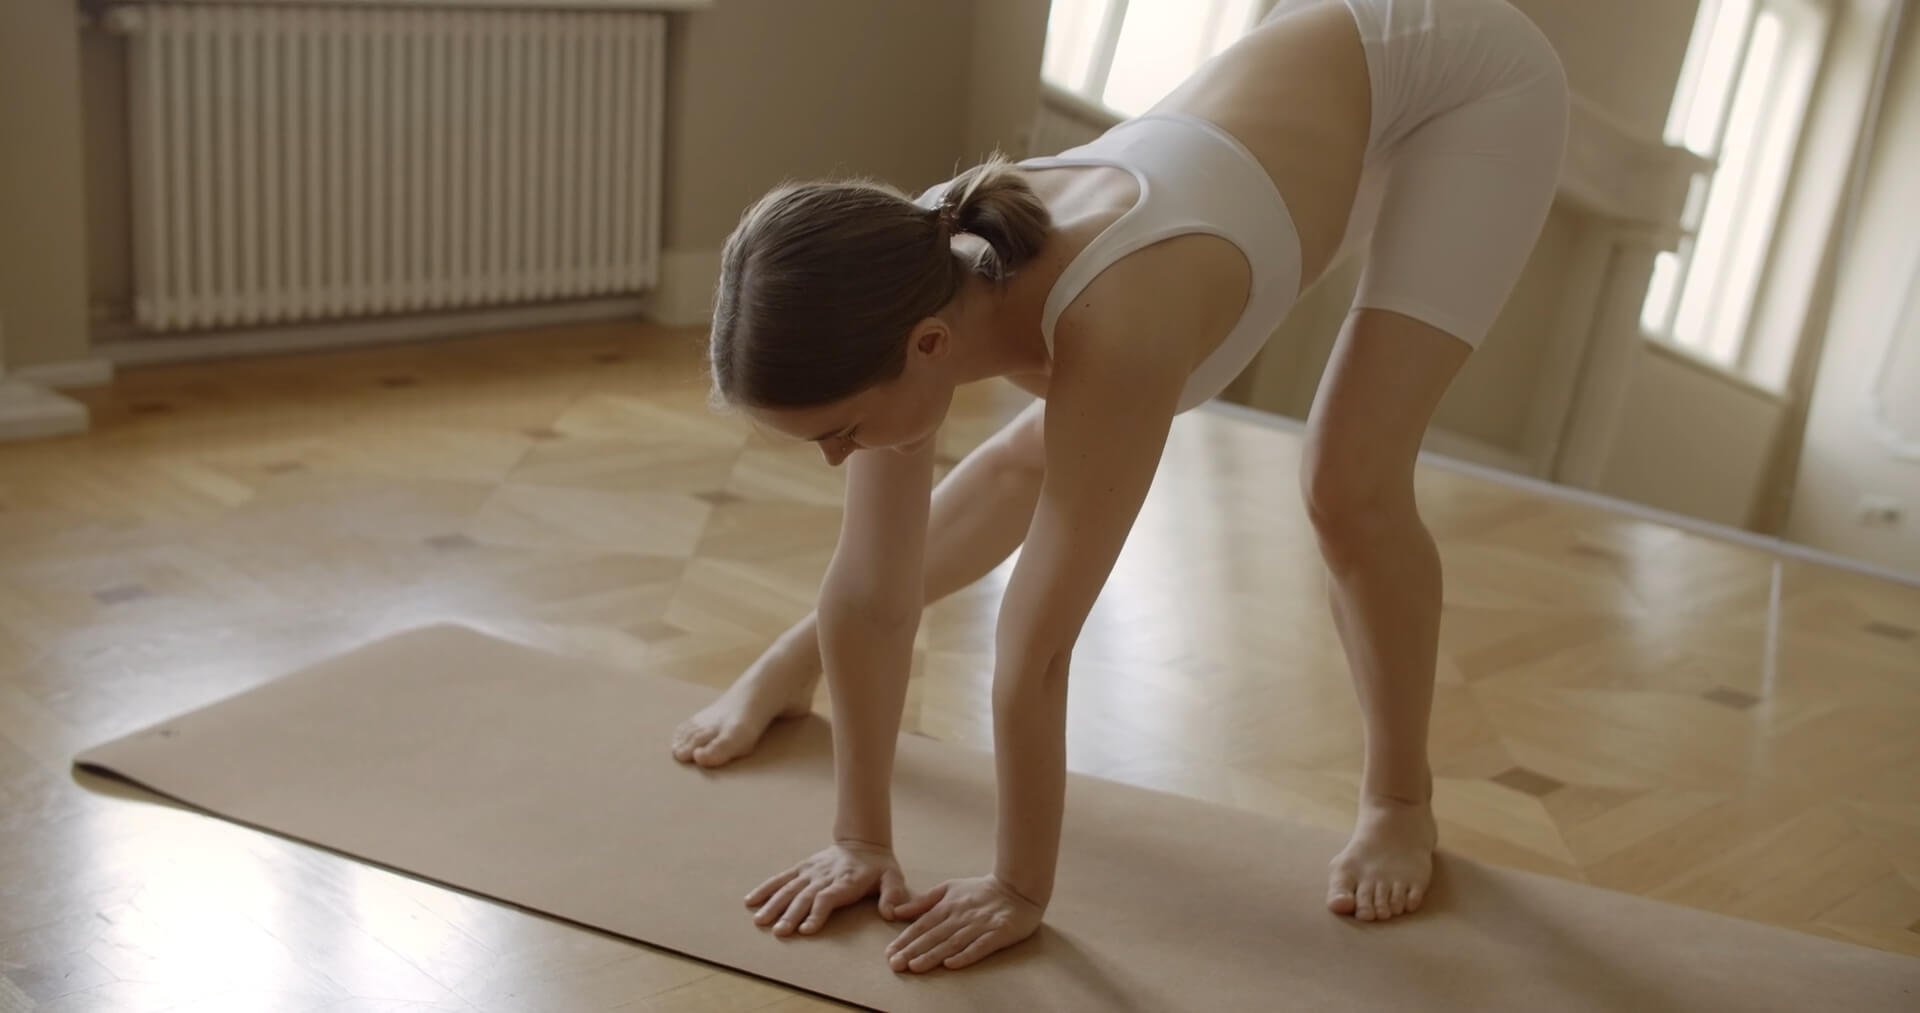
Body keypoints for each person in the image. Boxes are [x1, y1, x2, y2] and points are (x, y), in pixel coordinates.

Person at [672, 0, 1568, 973]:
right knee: (1032, 458)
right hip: (1313, 98)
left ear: (929, 347)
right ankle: (792, 661)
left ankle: (1401, 799)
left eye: (839, 431)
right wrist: (859, 836)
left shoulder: (1117, 325)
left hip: (1465, 83)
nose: (838, 458)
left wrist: (1019, 884)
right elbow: (870, 583)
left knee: (1348, 483)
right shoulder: (905, 268)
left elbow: (1037, 648)